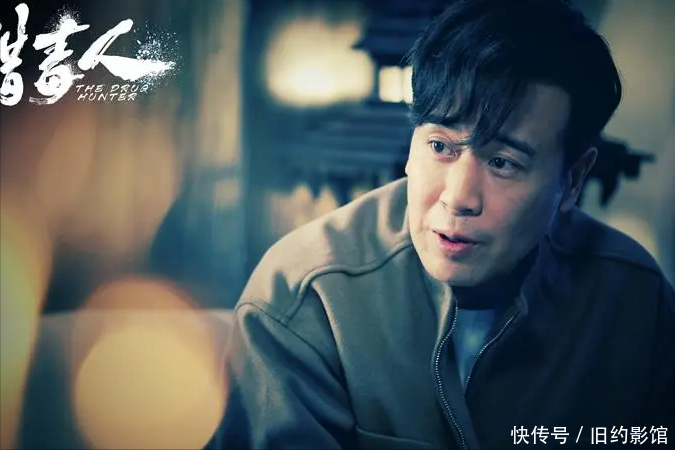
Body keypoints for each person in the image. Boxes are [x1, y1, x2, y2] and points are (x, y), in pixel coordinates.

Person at [210, 0, 675, 448]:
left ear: (572, 180)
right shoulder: (308, 297)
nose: (458, 198)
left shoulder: (632, 298)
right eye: (440, 147)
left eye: (503, 162)